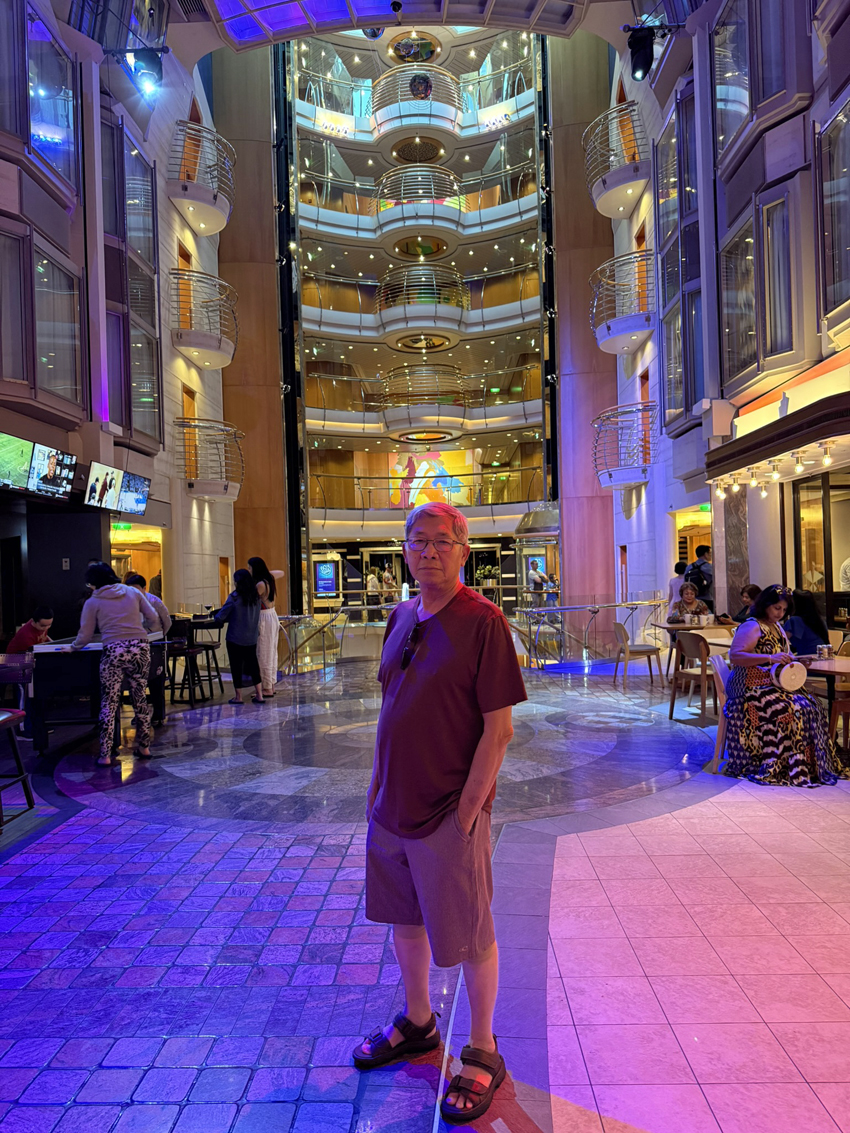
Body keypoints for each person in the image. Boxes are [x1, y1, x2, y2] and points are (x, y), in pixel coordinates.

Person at [355, 502, 527, 1124]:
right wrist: (377, 785)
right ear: (404, 550)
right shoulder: (401, 616)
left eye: (441, 542)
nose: (428, 551)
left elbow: (498, 731)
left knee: (471, 932)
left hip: (448, 811)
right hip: (391, 806)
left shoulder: (484, 622)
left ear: (462, 550)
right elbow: (391, 707)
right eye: (418, 541)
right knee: (405, 919)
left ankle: (482, 1048)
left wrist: (468, 813)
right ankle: (419, 1021)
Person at [723, 584, 847, 786]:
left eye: (783, 610)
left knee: (812, 705)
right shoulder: (752, 626)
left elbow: (781, 656)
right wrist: (770, 658)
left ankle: (805, 765)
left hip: (770, 683)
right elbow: (736, 656)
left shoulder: (776, 626)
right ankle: (779, 763)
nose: (780, 613)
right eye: (776, 608)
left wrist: (797, 661)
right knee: (791, 709)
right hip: (749, 686)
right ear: (765, 605)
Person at [66, 562, 158, 766]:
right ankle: (144, 747)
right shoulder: (133, 592)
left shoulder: (93, 601)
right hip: (140, 648)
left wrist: (73, 647)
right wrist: (142, 631)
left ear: (93, 582)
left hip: (113, 650)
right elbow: (153, 617)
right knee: (140, 697)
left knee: (109, 702)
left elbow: (85, 635)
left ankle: (105, 755)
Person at [124, 574, 170, 727]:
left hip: (154, 644)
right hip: (135, 645)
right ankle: (139, 714)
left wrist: (158, 636)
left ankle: (158, 714)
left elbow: (167, 622)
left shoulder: (154, 601)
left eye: (136, 589)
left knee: (156, 680)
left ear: (144, 588)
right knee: (136, 681)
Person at [215, 569, 263, 705]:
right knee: (253, 665)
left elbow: (222, 615)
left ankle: (238, 697)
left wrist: (216, 617)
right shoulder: (256, 597)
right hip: (252, 637)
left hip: (235, 637)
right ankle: (259, 695)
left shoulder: (234, 597)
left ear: (237, 582)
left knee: (236, 667)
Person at [249, 556, 281, 698]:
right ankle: (271, 685)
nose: (249, 571)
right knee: (271, 652)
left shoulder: (260, 585)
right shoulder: (269, 580)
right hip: (272, 616)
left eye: (250, 568)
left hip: (264, 618)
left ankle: (267, 687)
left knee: (264, 653)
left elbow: (250, 599)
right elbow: (280, 572)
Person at [785, 589, 830, 655]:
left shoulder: (794, 621)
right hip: (823, 656)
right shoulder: (820, 620)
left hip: (805, 658)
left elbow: (781, 642)